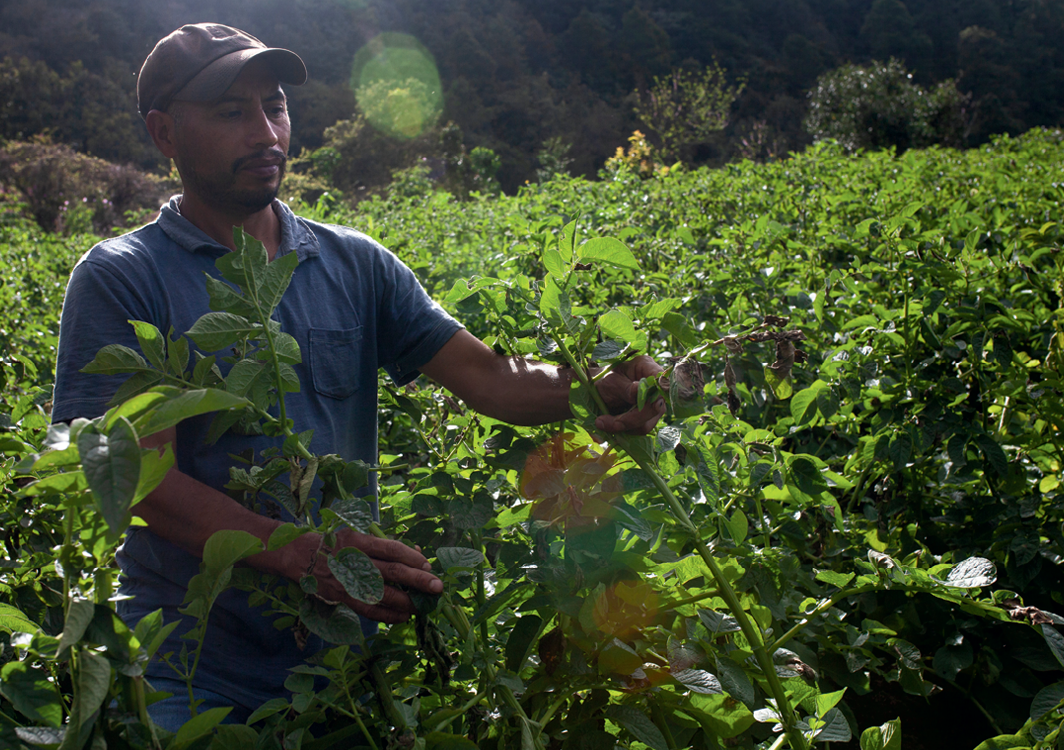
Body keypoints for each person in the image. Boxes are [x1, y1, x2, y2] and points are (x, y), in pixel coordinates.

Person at [51, 23, 665, 732]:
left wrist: (601, 386)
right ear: (164, 133)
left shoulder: (353, 264)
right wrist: (298, 552)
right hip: (188, 665)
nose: (265, 131)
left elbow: (492, 378)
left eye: (275, 106)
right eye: (231, 113)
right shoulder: (123, 278)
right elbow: (136, 480)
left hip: (339, 660)